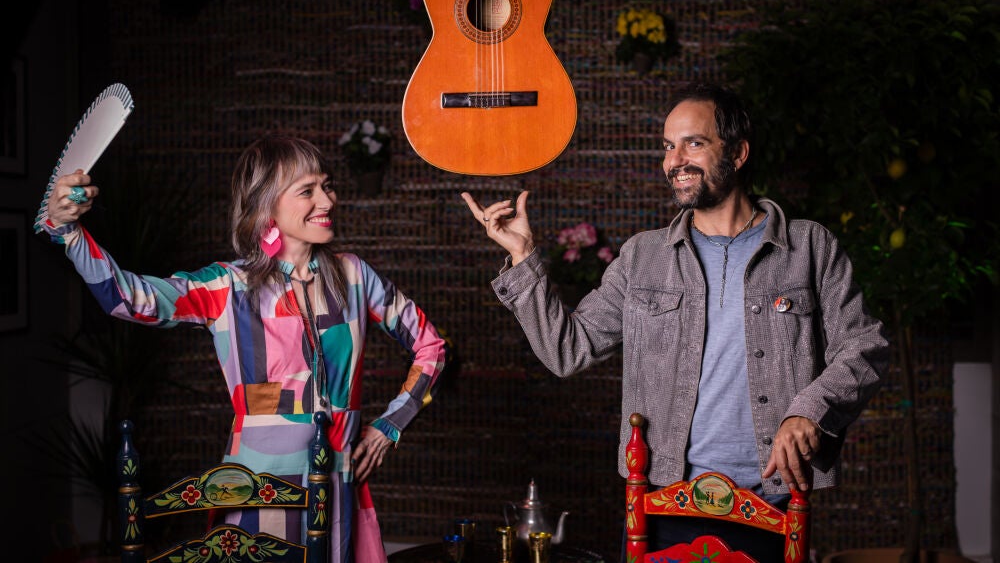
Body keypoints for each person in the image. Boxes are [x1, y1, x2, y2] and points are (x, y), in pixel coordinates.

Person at [461, 82, 888, 561]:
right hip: (662, 499)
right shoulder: (643, 256)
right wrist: (522, 257)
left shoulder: (810, 248)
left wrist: (808, 408)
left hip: (773, 497)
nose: (674, 160)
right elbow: (568, 350)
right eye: (668, 146)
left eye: (694, 143)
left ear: (739, 153)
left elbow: (865, 345)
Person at [40, 134, 448, 563]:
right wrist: (68, 232)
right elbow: (128, 298)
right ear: (266, 205)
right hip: (257, 489)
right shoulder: (228, 286)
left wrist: (390, 426)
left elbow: (432, 349)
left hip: (339, 486)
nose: (327, 199)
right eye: (307, 190)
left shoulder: (355, 277)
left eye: (326, 185)